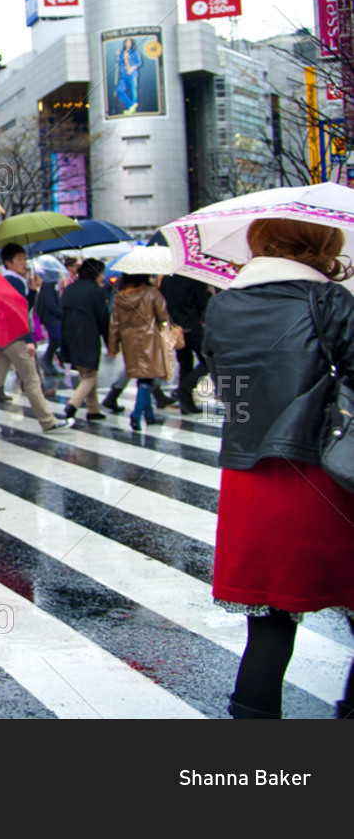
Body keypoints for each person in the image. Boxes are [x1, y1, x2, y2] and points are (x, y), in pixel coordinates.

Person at [201, 217, 354, 719]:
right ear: (320, 243)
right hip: (323, 473)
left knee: (269, 622)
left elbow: (224, 386)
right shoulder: (330, 302)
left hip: (250, 476)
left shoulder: (222, 305)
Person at [0, 244, 74, 435]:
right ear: (8, 263)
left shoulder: (8, 280)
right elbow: (20, 313)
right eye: (19, 259)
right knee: (31, 379)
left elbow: (24, 306)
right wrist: (28, 339)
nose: (24, 263)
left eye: (24, 259)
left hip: (3, 336)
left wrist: (32, 290)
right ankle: (48, 421)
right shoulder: (14, 281)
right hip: (16, 336)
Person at [108, 273, 170, 431]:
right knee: (147, 379)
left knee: (142, 376)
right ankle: (136, 414)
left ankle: (150, 416)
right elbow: (163, 315)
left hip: (129, 341)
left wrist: (113, 346)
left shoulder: (119, 297)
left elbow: (114, 323)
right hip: (149, 339)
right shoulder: (151, 293)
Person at [57, 258, 111, 423]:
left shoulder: (70, 289)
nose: (102, 277)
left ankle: (93, 409)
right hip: (88, 334)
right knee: (89, 375)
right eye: (101, 273)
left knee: (86, 372)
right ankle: (73, 405)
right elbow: (103, 319)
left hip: (69, 333)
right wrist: (111, 343)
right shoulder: (95, 291)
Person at [161, 272, 212, 414]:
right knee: (208, 359)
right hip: (193, 325)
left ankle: (185, 401)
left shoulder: (167, 278)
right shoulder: (196, 278)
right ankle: (185, 389)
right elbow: (202, 303)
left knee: (185, 363)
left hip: (176, 326)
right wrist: (208, 293)